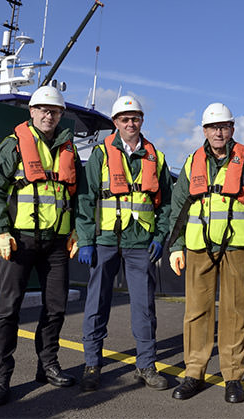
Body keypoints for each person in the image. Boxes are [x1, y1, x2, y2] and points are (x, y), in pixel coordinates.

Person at [0, 85, 81, 406]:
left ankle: (47, 365)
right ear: (32, 112)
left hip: (56, 243)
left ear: (61, 115)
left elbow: (77, 195)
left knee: (56, 307)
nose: (49, 115)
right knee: (8, 309)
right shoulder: (13, 146)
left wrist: (77, 231)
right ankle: (1, 378)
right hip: (19, 240)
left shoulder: (69, 149)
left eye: (55, 111)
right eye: (43, 110)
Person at [74, 96, 173, 392]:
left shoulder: (156, 156)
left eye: (136, 118)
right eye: (125, 119)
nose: (131, 123)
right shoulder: (100, 155)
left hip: (140, 243)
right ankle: (92, 364)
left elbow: (165, 203)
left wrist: (159, 236)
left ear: (142, 120)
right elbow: (85, 198)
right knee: (96, 303)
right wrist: (86, 240)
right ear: (116, 122)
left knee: (144, 307)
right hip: (104, 242)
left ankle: (146, 364)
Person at [167, 103, 244, 404]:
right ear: (204, 130)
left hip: (236, 245)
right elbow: (178, 206)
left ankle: (233, 376)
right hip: (198, 246)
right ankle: (194, 372)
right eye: (213, 127)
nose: (218, 132)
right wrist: (176, 246)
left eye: (224, 126)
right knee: (196, 311)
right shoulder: (191, 162)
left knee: (235, 312)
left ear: (232, 129)